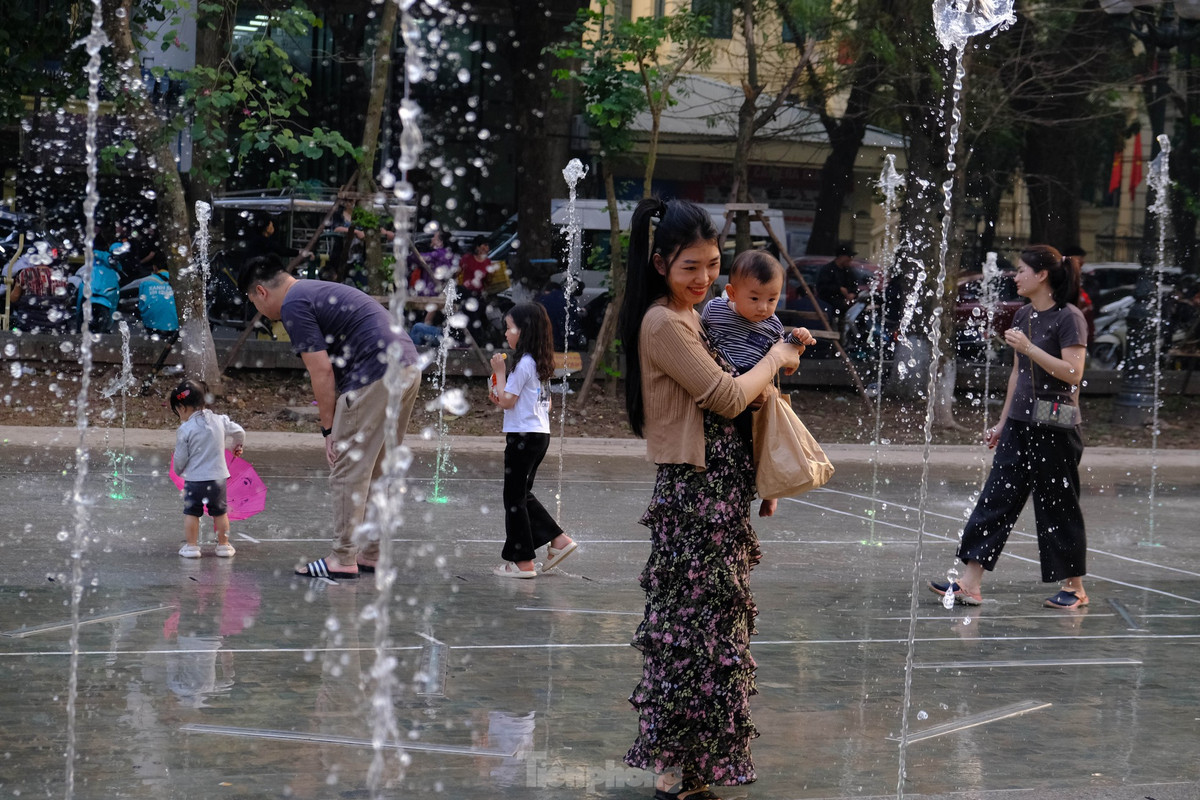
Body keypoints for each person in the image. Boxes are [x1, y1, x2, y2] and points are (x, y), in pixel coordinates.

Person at [618, 197, 801, 799]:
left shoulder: (695, 317)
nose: (704, 279)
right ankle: (676, 769)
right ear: (660, 262)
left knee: (716, 634)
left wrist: (763, 480)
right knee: (690, 635)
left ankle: (696, 768)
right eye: (690, 267)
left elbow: (741, 403)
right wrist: (777, 357)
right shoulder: (663, 323)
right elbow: (725, 396)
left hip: (721, 490)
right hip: (695, 496)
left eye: (713, 265)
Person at [240, 254, 421, 580]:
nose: (259, 311)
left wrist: (328, 429)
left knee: (347, 468)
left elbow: (321, 372)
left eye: (253, 302)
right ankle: (372, 553)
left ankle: (342, 558)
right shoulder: (312, 290)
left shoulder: (294, 304)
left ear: (261, 292)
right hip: (407, 364)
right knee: (379, 468)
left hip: (376, 372)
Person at [929, 244, 1090, 610]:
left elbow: (1073, 373)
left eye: (1020, 271)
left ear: (1042, 275)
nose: (1015, 277)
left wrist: (1031, 348)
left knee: (1057, 505)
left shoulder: (1069, 317)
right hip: (1021, 421)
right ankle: (970, 584)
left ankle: (1075, 587)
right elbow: (1018, 373)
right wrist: (1002, 422)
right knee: (996, 497)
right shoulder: (1023, 316)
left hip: (1058, 421)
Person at [701, 250, 816, 517]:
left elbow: (786, 354)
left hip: (753, 394)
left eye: (772, 299)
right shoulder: (714, 311)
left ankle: (771, 491)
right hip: (724, 387)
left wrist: (800, 339)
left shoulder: (772, 326)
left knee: (765, 442)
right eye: (754, 298)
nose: (763, 307)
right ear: (731, 292)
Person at [487, 302, 577, 578]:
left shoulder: (524, 363)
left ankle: (522, 561)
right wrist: (503, 391)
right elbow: (545, 404)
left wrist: (500, 374)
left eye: (510, 328)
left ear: (524, 331)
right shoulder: (539, 362)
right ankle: (558, 540)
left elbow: (507, 401)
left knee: (513, 498)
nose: (506, 333)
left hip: (523, 437)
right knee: (521, 495)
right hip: (539, 434)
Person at [171, 378, 246, 559]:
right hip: (218, 479)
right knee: (220, 513)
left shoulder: (186, 428)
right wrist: (237, 445)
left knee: (192, 513)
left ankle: (191, 547)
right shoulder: (220, 420)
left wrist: (178, 470)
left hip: (195, 480)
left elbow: (180, 457)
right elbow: (240, 432)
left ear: (182, 408)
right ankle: (224, 546)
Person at [74, 238, 121, 334]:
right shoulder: (103, 255)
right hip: (93, 279)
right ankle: (76, 315)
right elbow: (93, 253)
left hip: (105, 284)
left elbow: (120, 269)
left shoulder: (116, 264)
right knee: (80, 287)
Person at [458, 234, 494, 342]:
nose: (486, 249)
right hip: (465, 292)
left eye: (487, 246)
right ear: (477, 247)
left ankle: (478, 338)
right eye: (484, 246)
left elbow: (487, 281)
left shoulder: (487, 262)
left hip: (478, 295)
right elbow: (457, 273)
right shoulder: (467, 259)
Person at [815, 243, 858, 325]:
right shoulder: (827, 270)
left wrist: (852, 294)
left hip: (845, 307)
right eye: (849, 257)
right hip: (830, 306)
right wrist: (838, 289)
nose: (850, 259)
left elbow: (854, 286)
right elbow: (822, 288)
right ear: (842, 257)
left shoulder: (849, 271)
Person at [138, 268, 179, 339]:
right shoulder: (179, 279)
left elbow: (141, 306)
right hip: (175, 327)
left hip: (152, 327)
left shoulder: (146, 281)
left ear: (154, 267)